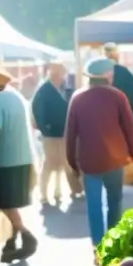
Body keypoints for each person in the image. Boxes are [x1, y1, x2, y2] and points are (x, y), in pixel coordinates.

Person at [65, 57, 133, 246]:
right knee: (114, 201)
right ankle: (113, 243)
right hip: (115, 160)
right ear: (107, 75)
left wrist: (72, 163)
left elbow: (70, 134)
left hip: (88, 161)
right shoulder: (118, 96)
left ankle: (98, 246)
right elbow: (130, 129)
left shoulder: (78, 98)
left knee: (94, 205)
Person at [0, 66, 38, 260]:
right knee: (9, 201)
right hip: (23, 158)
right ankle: (10, 243)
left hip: (5, 160)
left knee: (2, 201)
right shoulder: (16, 97)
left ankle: (26, 235)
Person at [32, 62, 82, 205]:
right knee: (49, 164)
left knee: (60, 163)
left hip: (60, 133)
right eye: (62, 75)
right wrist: (45, 128)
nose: (63, 78)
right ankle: (43, 193)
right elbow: (38, 111)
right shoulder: (45, 90)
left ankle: (58, 191)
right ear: (55, 75)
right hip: (51, 134)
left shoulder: (56, 89)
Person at [102, 43, 133, 126]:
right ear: (117, 55)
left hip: (104, 123)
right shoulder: (124, 73)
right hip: (125, 123)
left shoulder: (98, 74)